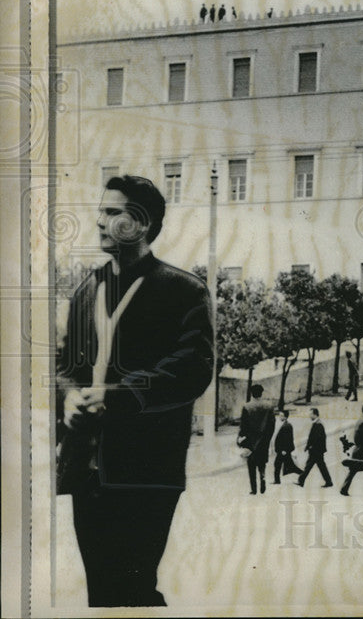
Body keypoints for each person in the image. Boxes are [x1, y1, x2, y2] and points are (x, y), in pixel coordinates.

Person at [55, 175, 213, 607]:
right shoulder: (86, 290)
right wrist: (69, 396)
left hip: (146, 469)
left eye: (112, 212)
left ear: (141, 223)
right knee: (103, 592)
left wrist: (118, 395)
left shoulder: (183, 290)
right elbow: (64, 364)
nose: (98, 221)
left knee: (134, 589)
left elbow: (193, 367)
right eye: (99, 211)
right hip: (87, 467)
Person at [238, 384, 276, 495]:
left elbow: (243, 426)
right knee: (262, 462)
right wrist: (267, 439)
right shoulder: (269, 406)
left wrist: (241, 438)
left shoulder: (247, 407)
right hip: (264, 440)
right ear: (261, 393)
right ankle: (263, 478)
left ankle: (254, 489)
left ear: (251, 393)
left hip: (251, 440)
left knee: (251, 464)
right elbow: (272, 425)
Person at [298, 408, 333, 488]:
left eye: (310, 414)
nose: (309, 416)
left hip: (316, 450)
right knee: (320, 466)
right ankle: (328, 481)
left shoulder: (318, 424)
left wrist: (310, 446)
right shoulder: (317, 423)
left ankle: (301, 480)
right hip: (317, 450)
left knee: (309, 465)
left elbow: (316, 438)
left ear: (315, 414)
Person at [273, 410, 302, 484]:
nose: (280, 417)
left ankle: (303, 475)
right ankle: (303, 474)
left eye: (281, 415)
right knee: (289, 465)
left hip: (283, 450)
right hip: (282, 450)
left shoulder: (287, 426)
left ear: (285, 417)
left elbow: (288, 439)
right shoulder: (284, 424)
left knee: (278, 464)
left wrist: (284, 450)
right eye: (279, 415)